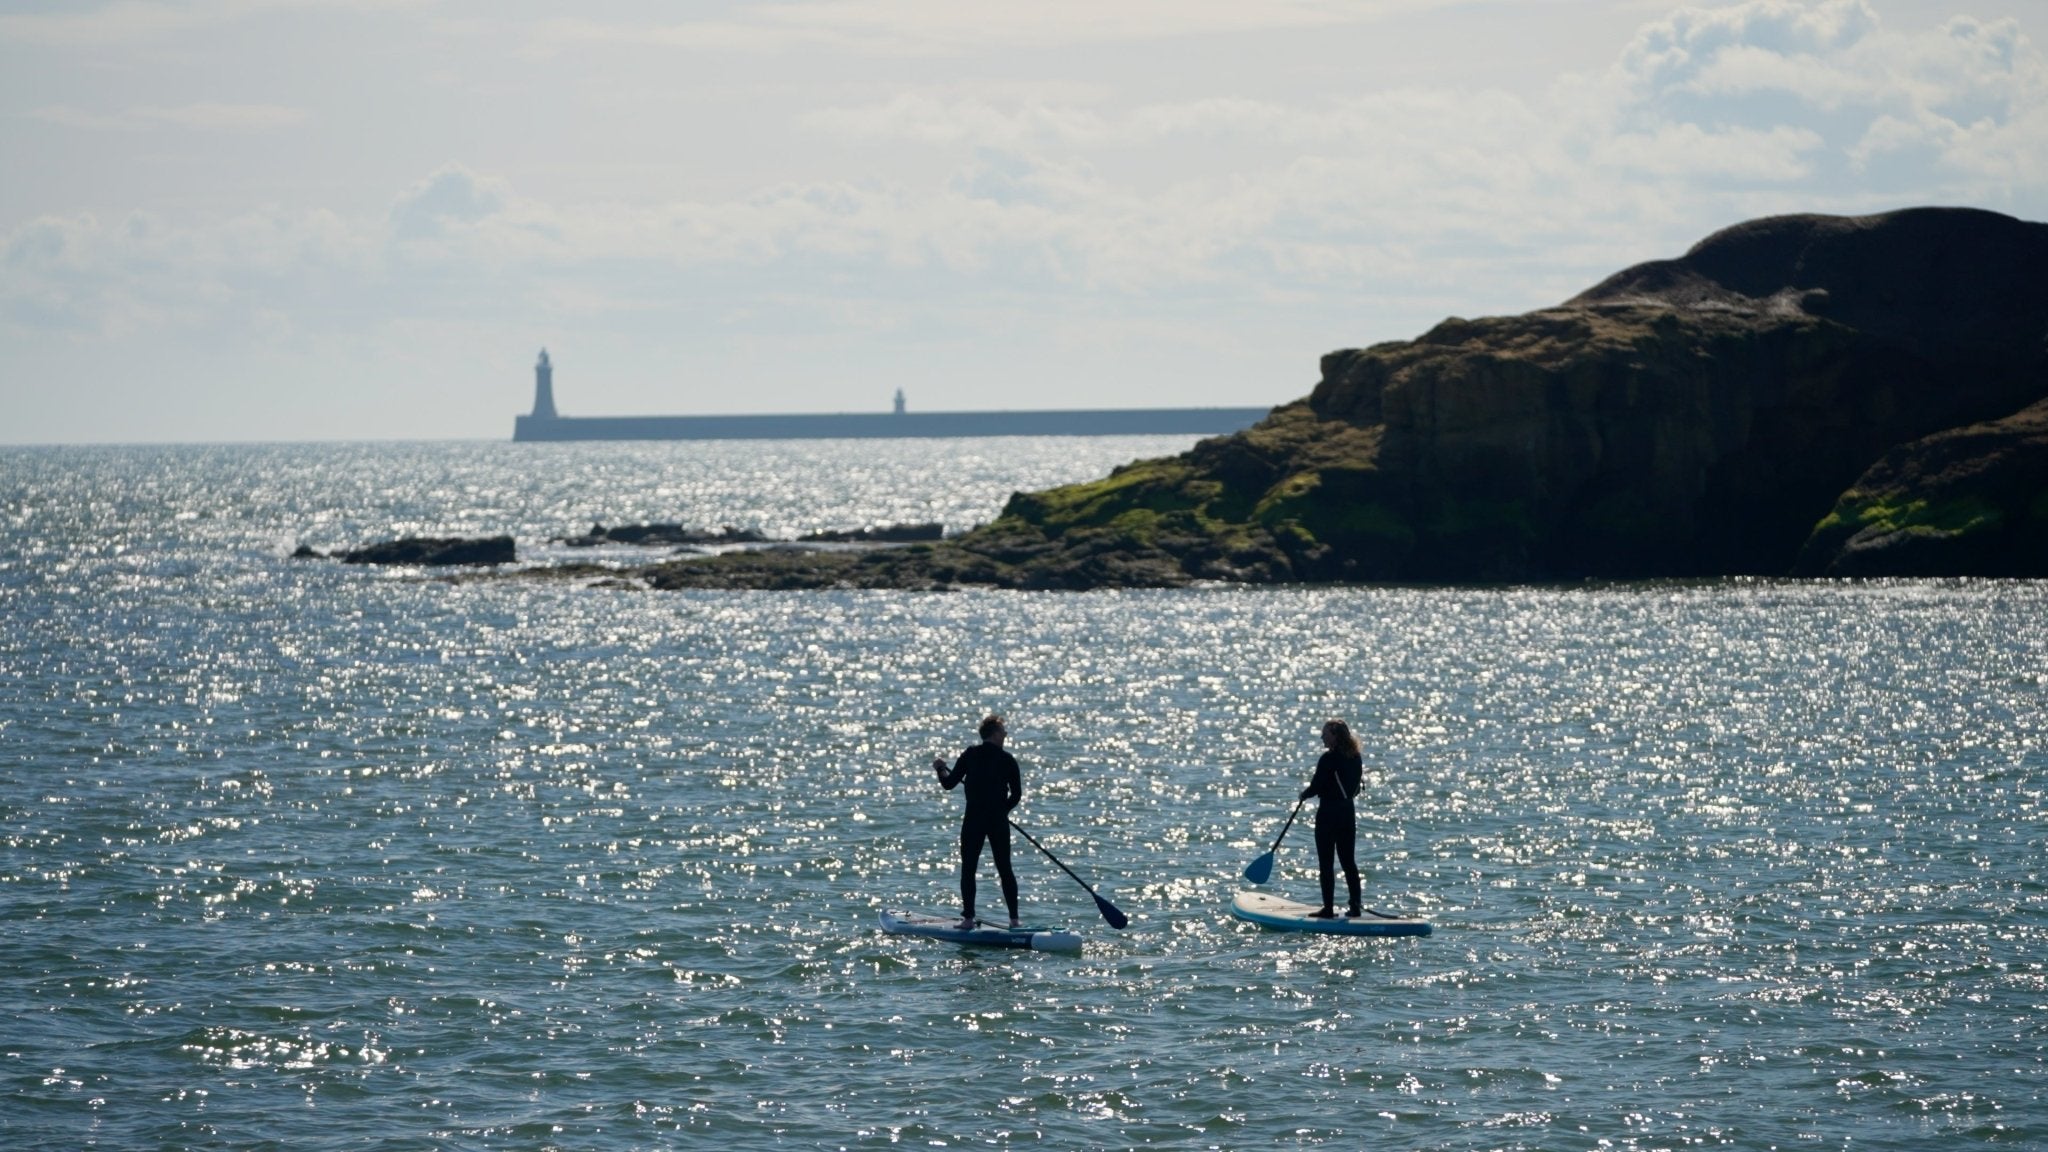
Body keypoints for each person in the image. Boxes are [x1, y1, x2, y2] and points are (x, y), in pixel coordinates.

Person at [933, 714, 1023, 929]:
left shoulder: (970, 755)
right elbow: (1016, 795)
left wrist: (940, 769)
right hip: (997, 820)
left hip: (974, 819)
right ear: (994, 734)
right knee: (1005, 868)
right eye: (1003, 731)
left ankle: (968, 919)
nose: (1006, 734)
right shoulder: (1007, 760)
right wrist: (1003, 811)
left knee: (969, 868)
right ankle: (1014, 920)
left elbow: (948, 783)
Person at [1300, 717, 1364, 918]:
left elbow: (1316, 785)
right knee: (1348, 862)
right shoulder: (1356, 757)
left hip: (1328, 814)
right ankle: (1355, 907)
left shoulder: (1328, 758)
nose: (1321, 737)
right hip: (1347, 813)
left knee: (1326, 863)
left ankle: (1328, 909)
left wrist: (1304, 795)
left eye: (1325, 734)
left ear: (1335, 736)